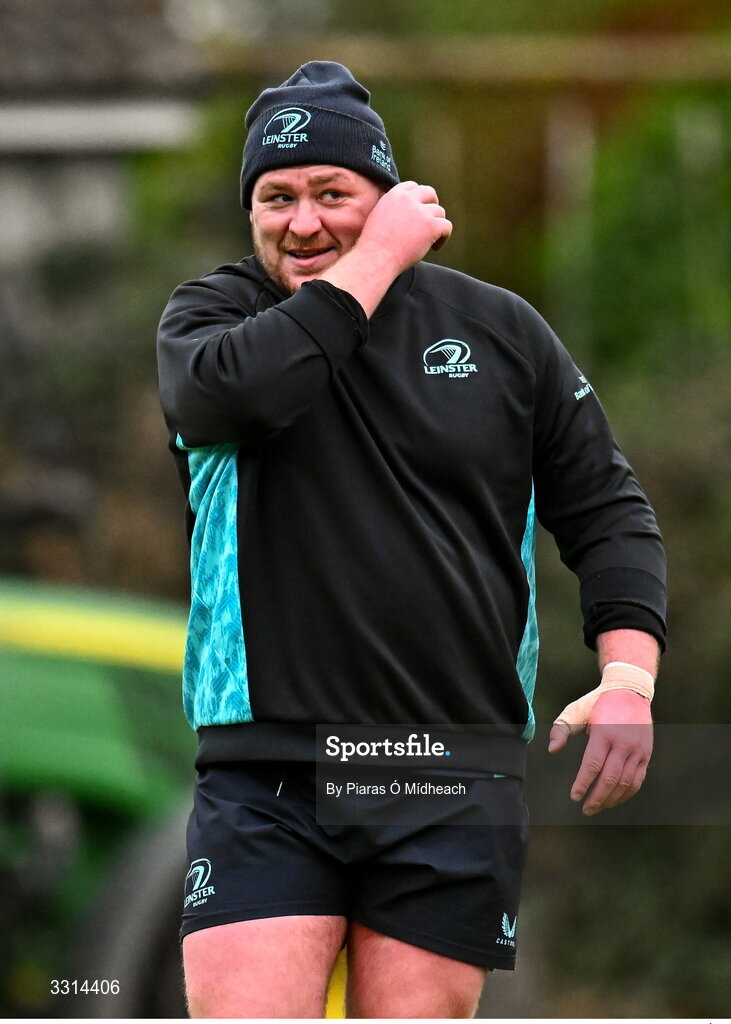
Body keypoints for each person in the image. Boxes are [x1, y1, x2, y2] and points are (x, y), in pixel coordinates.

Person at [157, 61, 666, 1019]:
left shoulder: (501, 332)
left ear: (385, 192)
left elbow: (606, 508)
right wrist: (375, 259)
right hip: (268, 771)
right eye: (276, 198)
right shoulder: (213, 321)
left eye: (331, 193)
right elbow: (234, 396)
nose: (301, 222)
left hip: (450, 766)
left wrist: (627, 679)